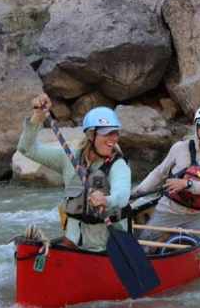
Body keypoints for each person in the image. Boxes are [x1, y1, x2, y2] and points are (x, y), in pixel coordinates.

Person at [17, 94, 131, 252]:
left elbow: (122, 195)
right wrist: (38, 115)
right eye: (107, 133)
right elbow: (27, 149)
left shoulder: (118, 165)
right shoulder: (69, 158)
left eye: (115, 133)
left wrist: (106, 199)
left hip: (107, 246)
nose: (113, 138)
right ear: (91, 135)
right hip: (73, 243)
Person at [133, 104, 200, 244]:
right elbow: (159, 173)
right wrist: (137, 192)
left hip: (197, 215)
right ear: (196, 127)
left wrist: (187, 184)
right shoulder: (179, 148)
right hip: (168, 210)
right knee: (144, 242)